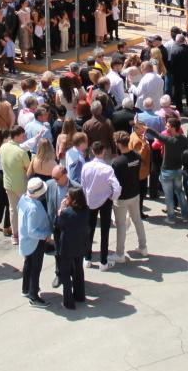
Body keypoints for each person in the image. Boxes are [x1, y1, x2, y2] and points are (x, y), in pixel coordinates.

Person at [82, 140, 121, 268]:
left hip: (90, 200)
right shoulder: (107, 169)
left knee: (89, 229)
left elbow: (83, 185)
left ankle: (87, 258)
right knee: (105, 231)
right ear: (103, 152)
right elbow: (117, 187)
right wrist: (112, 197)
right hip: (105, 201)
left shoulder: (86, 167)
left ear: (92, 151)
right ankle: (103, 261)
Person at [110, 132, 147, 261]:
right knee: (137, 220)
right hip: (135, 193)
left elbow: (114, 182)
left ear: (119, 144)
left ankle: (120, 254)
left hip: (121, 197)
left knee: (120, 225)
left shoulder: (117, 162)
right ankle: (143, 247)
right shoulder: (136, 156)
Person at [54, 187, 91, 310]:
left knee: (65, 273)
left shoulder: (66, 213)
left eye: (67, 197)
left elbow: (58, 224)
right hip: (81, 245)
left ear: (73, 199)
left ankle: (68, 302)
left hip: (67, 247)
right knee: (78, 270)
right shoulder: (85, 210)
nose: (65, 198)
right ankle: (80, 296)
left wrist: (60, 210)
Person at [18, 177, 52, 306]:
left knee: (28, 264)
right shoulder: (33, 208)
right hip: (35, 242)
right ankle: (33, 296)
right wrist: (45, 236)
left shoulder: (23, 199)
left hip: (26, 239)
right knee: (35, 268)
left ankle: (26, 289)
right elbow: (32, 231)